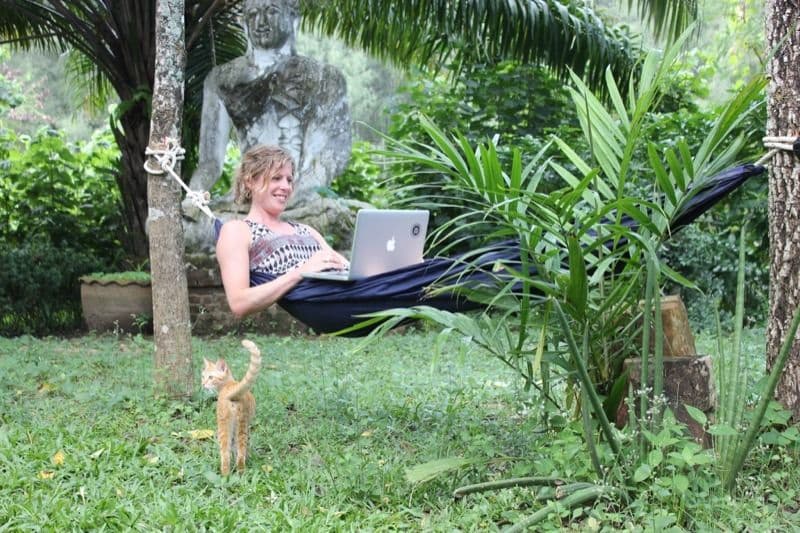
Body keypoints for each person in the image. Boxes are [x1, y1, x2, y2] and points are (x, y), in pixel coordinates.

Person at [185, 0, 350, 220]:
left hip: (300, 202)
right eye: (253, 14)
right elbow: (210, 163)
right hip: (246, 204)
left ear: (292, 16)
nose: (261, 22)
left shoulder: (323, 78)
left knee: (341, 219)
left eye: (271, 11)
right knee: (188, 229)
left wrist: (298, 190)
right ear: (244, 23)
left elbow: (334, 152)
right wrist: (193, 197)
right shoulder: (222, 80)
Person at [216, 145, 350, 318]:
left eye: (289, 179)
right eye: (276, 178)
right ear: (250, 181)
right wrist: (301, 272)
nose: (285, 186)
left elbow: (346, 267)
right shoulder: (238, 230)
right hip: (323, 301)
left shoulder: (306, 230)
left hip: (350, 296)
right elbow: (238, 303)